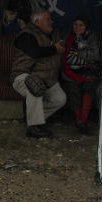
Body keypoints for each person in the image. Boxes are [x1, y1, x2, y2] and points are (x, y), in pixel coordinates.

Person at [10, 9, 66, 138]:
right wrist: (55, 49)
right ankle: (33, 128)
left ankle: (32, 117)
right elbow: (35, 52)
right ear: (37, 22)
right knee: (34, 85)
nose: (51, 22)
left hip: (45, 78)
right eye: (48, 19)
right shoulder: (26, 35)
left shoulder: (50, 34)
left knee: (60, 99)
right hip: (22, 76)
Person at [61, 14, 102, 134]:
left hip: (88, 70)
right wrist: (83, 54)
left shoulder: (91, 37)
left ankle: (83, 118)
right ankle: (79, 119)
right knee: (73, 87)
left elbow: (96, 55)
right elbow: (65, 56)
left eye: (81, 25)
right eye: (75, 24)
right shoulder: (68, 36)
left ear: (86, 26)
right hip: (70, 70)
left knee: (89, 85)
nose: (77, 27)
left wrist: (78, 53)